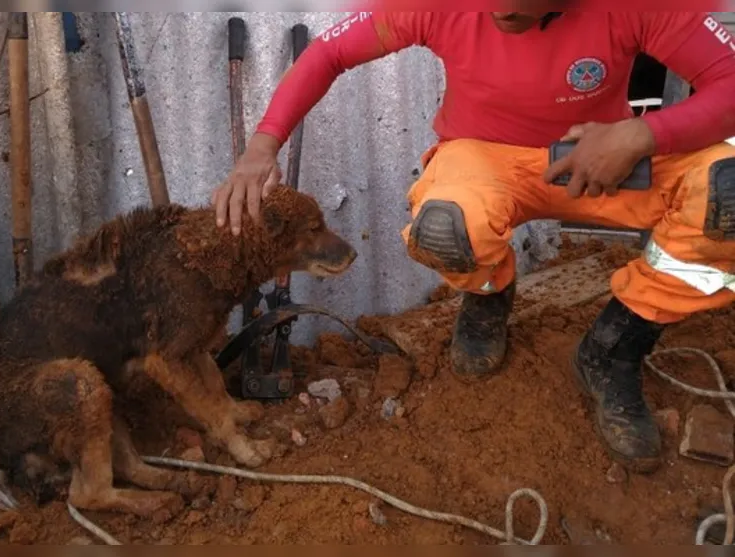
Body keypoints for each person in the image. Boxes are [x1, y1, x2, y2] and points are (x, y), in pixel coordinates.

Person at [211, 7, 735, 474]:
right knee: (447, 226)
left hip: (601, 162)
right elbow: (327, 53)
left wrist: (643, 134)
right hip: (487, 160)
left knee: (727, 197)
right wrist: (263, 145)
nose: (501, 10)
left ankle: (614, 348)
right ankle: (487, 297)